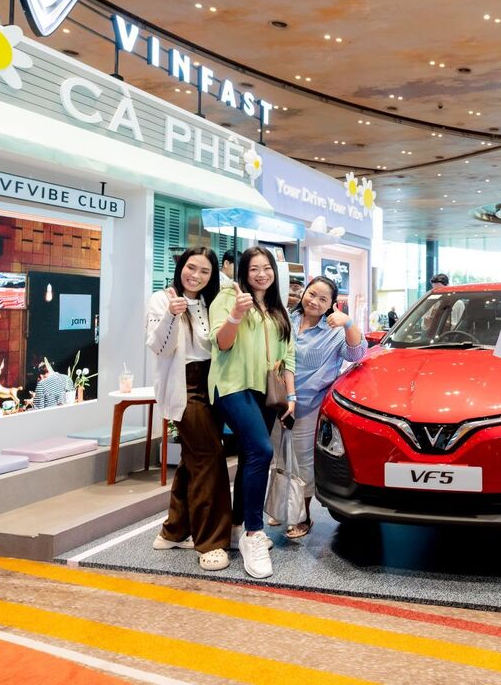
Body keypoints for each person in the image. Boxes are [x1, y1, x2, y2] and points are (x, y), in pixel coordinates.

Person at [209, 247, 296, 579]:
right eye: (254, 268)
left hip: (267, 391)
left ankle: (237, 526)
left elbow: (288, 354)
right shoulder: (228, 298)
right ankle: (253, 533)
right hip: (232, 386)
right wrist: (236, 313)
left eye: (267, 268)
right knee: (262, 449)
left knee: (251, 456)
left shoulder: (276, 308)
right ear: (243, 272)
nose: (261, 274)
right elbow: (221, 343)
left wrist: (291, 395)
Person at [147, 248, 232, 572]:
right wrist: (171, 314)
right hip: (186, 386)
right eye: (191, 267)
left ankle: (174, 530)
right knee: (210, 458)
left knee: (193, 459)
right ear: (180, 267)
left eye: (204, 271)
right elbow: (159, 346)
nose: (195, 275)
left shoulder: (212, 302)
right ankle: (210, 542)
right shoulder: (162, 299)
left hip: (213, 385)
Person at [276, 276, 367, 539]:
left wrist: (347, 322)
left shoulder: (334, 330)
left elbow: (357, 354)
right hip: (276, 400)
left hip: (308, 405)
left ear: (331, 304)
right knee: (279, 458)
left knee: (303, 463)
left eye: (323, 299)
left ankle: (303, 516)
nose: (314, 301)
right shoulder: (288, 319)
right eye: (312, 294)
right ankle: (283, 508)